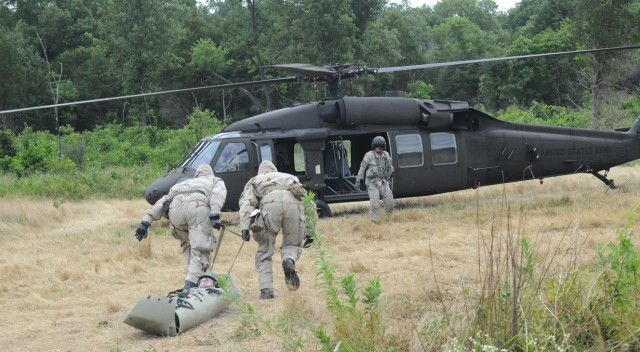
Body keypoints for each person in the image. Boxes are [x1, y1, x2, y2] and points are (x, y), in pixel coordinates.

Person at [134, 163, 227, 294]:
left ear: (196, 175)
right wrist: (215, 214)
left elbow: (161, 202)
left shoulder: (181, 184)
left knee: (188, 245)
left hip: (175, 211)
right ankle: (190, 286)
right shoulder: (214, 180)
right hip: (197, 208)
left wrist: (145, 222)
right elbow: (218, 194)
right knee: (200, 250)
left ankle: (200, 279)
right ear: (210, 173)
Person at [238, 160, 306, 299]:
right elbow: (307, 200)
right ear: (275, 170)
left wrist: (244, 228)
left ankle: (266, 290)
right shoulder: (291, 178)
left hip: (270, 203)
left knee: (265, 249)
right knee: (292, 244)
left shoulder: (256, 180)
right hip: (294, 204)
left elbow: (247, 203)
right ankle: (288, 260)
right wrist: (310, 230)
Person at [355, 136, 394, 223]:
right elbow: (362, 168)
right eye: (377, 146)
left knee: (390, 203)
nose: (379, 149)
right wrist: (358, 180)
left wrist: (389, 178)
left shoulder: (386, 155)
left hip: (384, 182)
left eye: (381, 147)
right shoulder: (369, 155)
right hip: (372, 183)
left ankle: (388, 219)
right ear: (374, 146)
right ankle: (374, 221)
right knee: (374, 204)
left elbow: (390, 167)